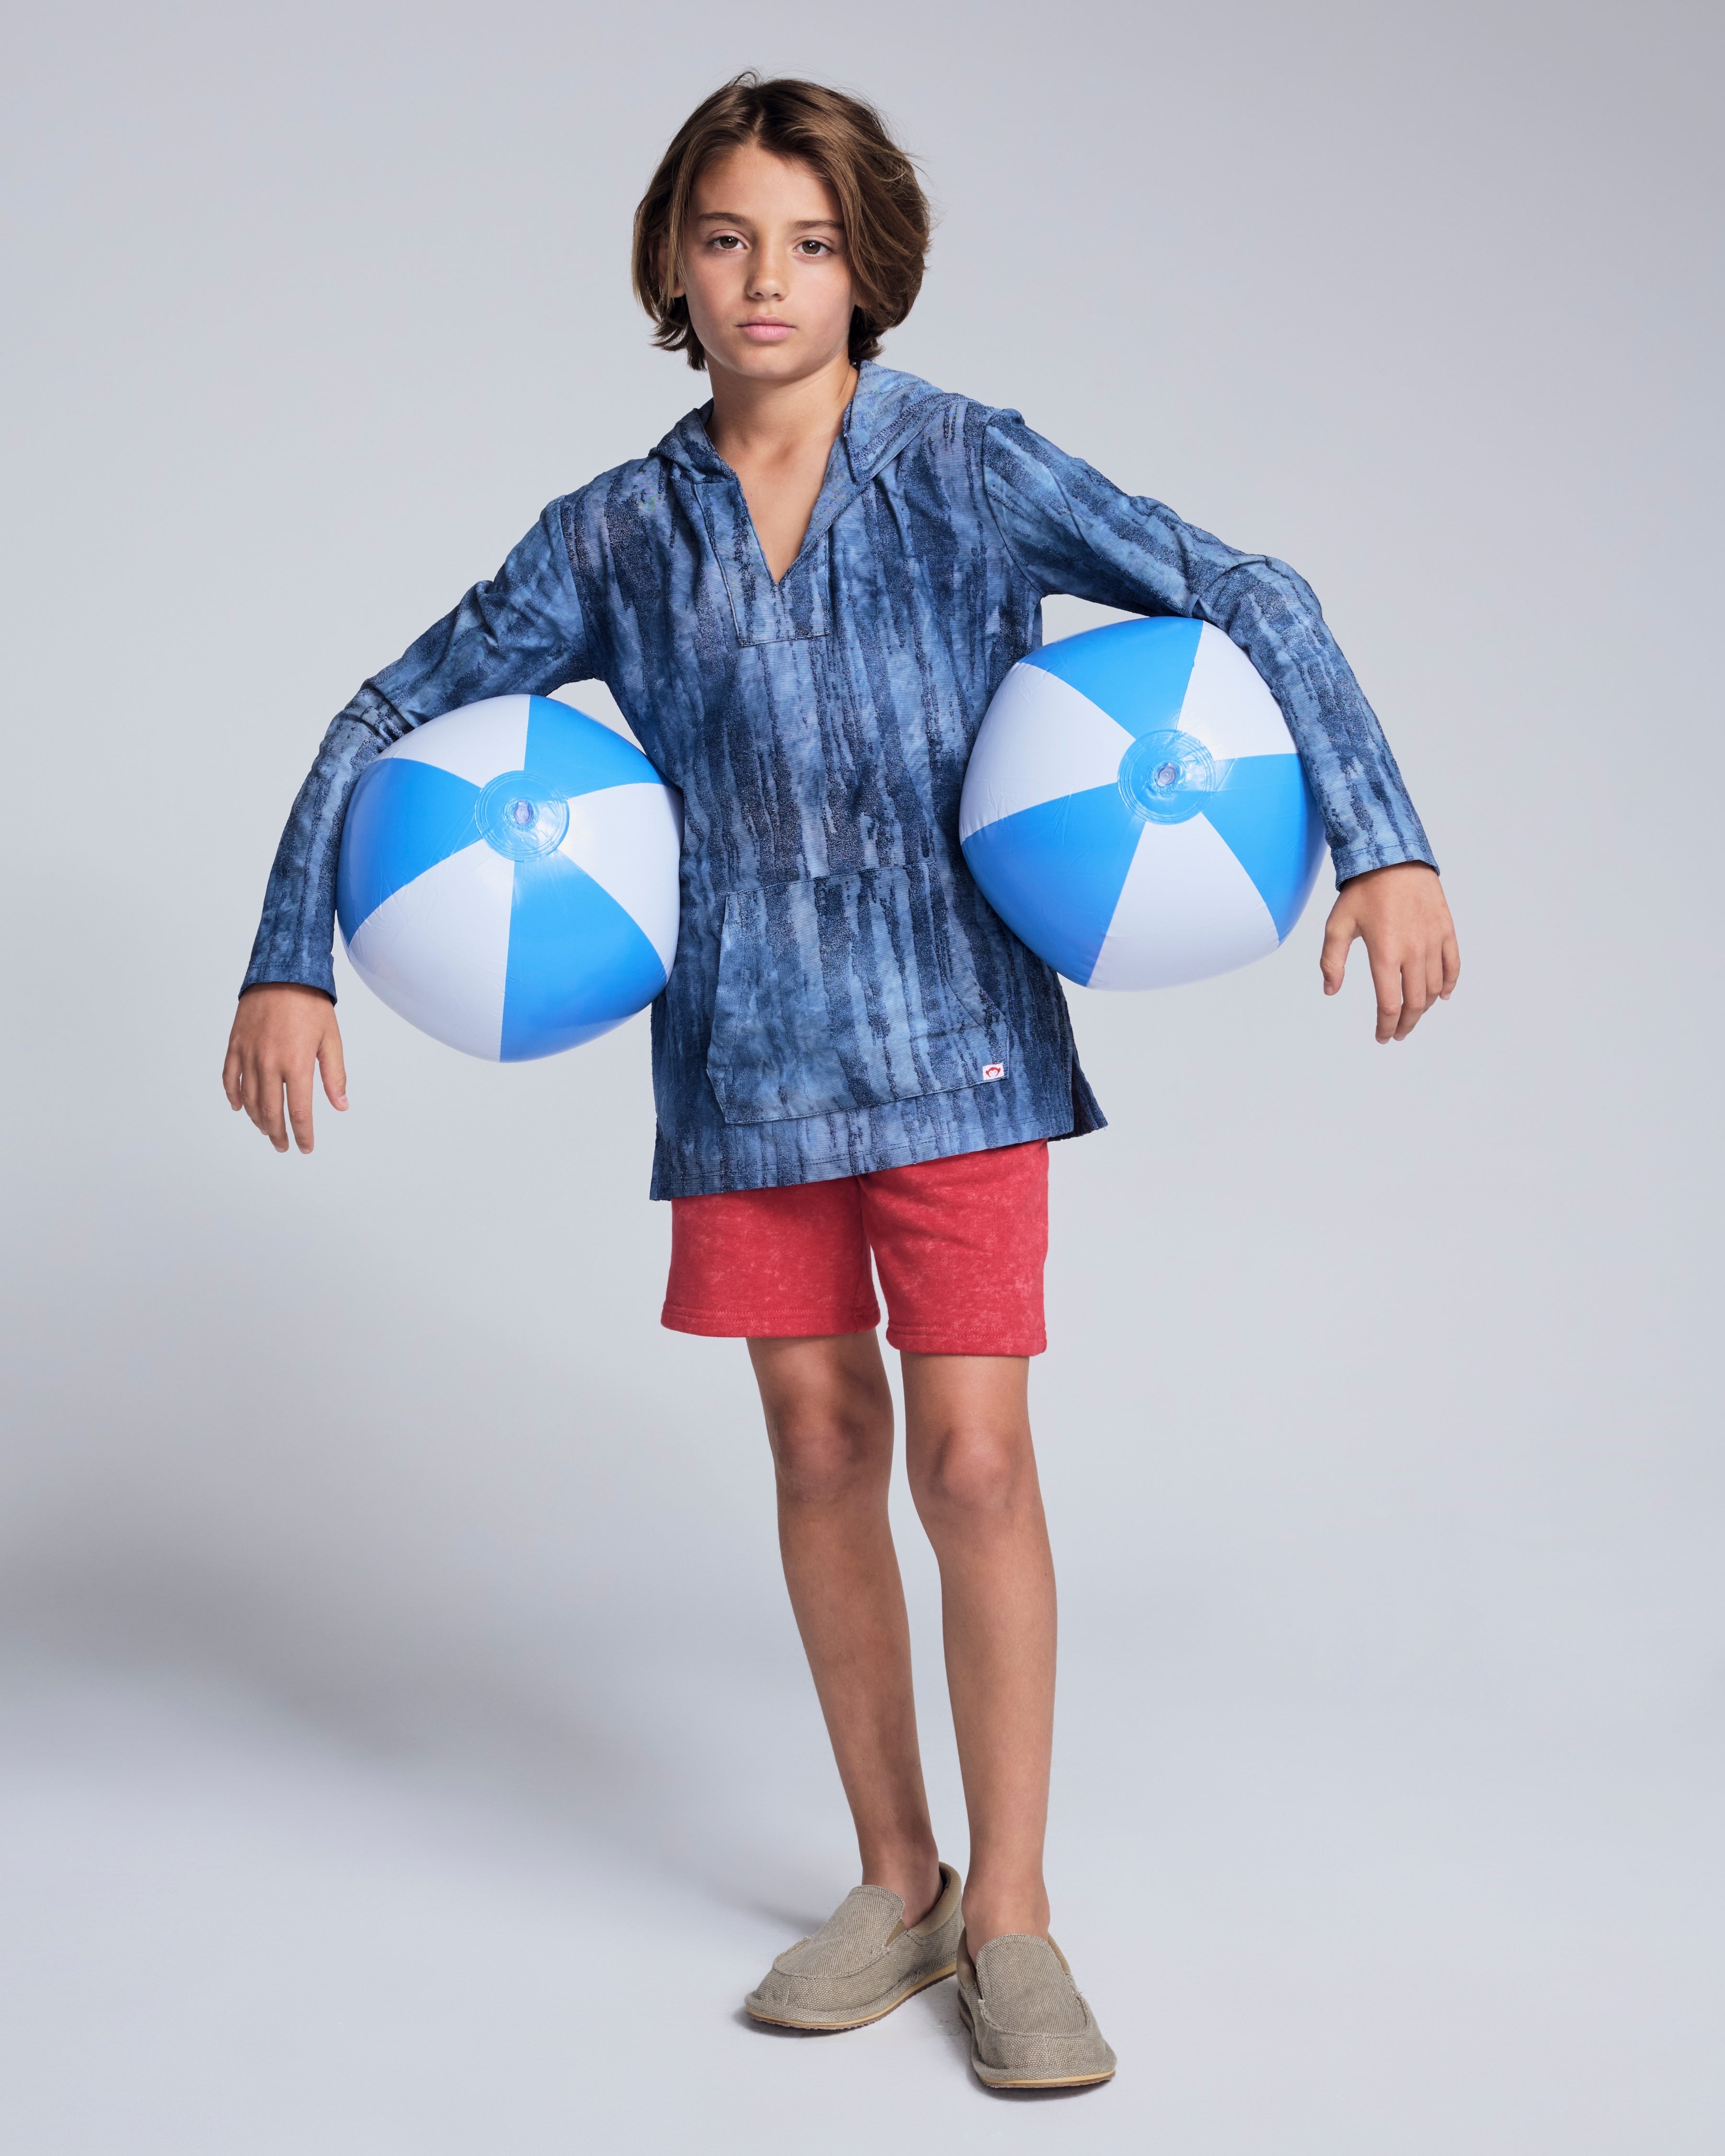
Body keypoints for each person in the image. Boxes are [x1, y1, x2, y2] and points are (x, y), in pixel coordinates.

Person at [224, 75, 1459, 2090]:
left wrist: (1385, 839)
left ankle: (1018, 1911)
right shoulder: (619, 531)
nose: (765, 278)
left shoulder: (966, 466)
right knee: (817, 1449)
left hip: (961, 1050)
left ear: (869, 263)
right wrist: (295, 955)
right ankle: (896, 1878)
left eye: (806, 239)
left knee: (972, 1463)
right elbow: (390, 707)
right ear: (672, 267)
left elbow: (1256, 593)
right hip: (738, 1063)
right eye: (725, 238)